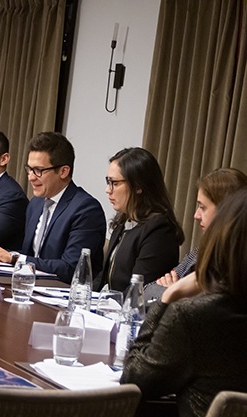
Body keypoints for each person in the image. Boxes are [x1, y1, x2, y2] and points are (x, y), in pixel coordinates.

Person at [121, 188, 247, 417]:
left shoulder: (193, 316)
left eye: (203, 207)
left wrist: (169, 296)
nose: (196, 215)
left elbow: (133, 380)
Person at [0, 132, 106, 283]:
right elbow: (31, 255)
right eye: (29, 169)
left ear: (63, 171)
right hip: (29, 285)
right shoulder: (35, 204)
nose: (31, 177)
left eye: (39, 170)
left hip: (63, 291)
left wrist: (15, 259)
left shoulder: (86, 209)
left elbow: (71, 269)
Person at [144, 168, 247, 301]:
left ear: (226, 210)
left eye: (202, 207)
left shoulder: (235, 266)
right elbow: (146, 291)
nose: (196, 215)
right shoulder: (198, 253)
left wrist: (176, 293)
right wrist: (173, 291)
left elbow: (207, 309)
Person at [95, 147, 184, 292]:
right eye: (108, 182)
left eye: (115, 183)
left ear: (138, 186)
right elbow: (103, 279)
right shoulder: (123, 222)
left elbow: (137, 292)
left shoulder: (159, 231)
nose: (108, 190)